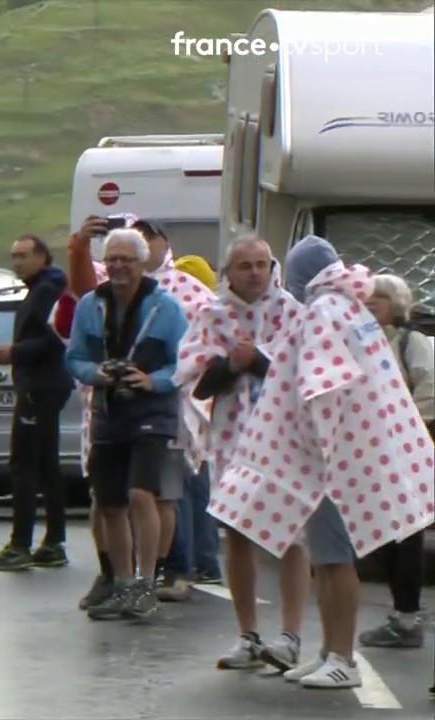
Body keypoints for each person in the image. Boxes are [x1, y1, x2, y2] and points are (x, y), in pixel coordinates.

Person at [215, 235, 433, 688]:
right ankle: (330, 650)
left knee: (334, 559)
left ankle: (342, 658)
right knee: (328, 558)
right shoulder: (349, 308)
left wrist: (318, 448)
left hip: (335, 458)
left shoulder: (324, 312)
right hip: (356, 451)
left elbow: (321, 384)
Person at [174, 237, 310, 672]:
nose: (254, 273)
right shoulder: (211, 314)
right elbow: (194, 377)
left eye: (261, 265)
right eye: (245, 266)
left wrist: (260, 360)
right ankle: (247, 635)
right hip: (234, 436)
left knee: (292, 533)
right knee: (237, 533)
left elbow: (309, 369)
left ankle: (290, 636)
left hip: (286, 437)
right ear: (227, 272)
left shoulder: (293, 311)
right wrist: (229, 364)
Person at [63, 229, 188, 621]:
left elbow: (186, 360)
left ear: (142, 262)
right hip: (109, 410)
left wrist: (154, 380)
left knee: (140, 495)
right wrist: (95, 372)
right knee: (111, 502)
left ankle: (146, 584)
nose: (118, 266)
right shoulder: (90, 305)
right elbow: (74, 357)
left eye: (127, 260)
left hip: (154, 412)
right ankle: (120, 584)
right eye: (112, 259)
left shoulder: (165, 307)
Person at [0, 235, 72, 571]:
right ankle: (54, 541)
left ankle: (20, 544)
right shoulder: (41, 288)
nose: (17, 262)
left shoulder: (48, 290)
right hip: (40, 383)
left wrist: (15, 352)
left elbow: (54, 339)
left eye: (24, 256)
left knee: (24, 463)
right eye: (13, 256)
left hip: (42, 385)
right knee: (46, 463)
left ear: (43, 257)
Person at [357, 273, 433, 649]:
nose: (372, 304)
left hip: (406, 451)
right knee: (389, 534)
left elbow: (429, 390)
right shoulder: (363, 341)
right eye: (368, 297)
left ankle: (406, 619)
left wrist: (403, 423)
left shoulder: (411, 341)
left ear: (398, 305)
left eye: (381, 298)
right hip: (375, 452)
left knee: (406, 535)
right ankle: (402, 615)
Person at [162, 254, 223, 591]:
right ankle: (207, 561)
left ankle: (187, 561)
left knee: (181, 487)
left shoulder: (182, 308)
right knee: (200, 486)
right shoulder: (211, 311)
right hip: (205, 410)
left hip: (183, 409)